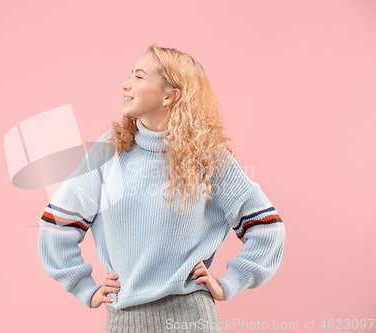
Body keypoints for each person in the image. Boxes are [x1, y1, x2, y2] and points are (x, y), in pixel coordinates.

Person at [38, 45, 285, 332]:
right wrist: (83, 286)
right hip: (124, 321)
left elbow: (267, 228)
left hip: (192, 320)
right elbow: (58, 223)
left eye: (139, 77)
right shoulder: (110, 152)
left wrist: (230, 282)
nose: (126, 84)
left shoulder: (209, 157)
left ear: (170, 95)